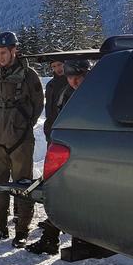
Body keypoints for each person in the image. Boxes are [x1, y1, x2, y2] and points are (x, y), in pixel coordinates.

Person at [0, 32, 44, 248]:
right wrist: (0, 123)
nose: (0, 57)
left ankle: (22, 229)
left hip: (20, 136)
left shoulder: (29, 75)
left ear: (14, 50)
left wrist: (22, 125)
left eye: (4, 52)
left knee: (22, 183)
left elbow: (37, 104)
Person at [26, 59, 91, 254]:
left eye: (79, 77)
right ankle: (53, 237)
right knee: (65, 193)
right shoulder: (66, 93)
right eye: (71, 77)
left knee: (78, 195)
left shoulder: (94, 94)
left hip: (88, 152)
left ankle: (72, 237)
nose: (74, 81)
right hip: (69, 149)